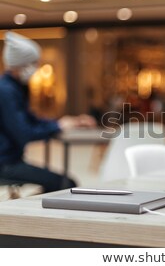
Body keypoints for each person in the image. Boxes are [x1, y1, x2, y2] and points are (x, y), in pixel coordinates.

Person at [0, 31, 96, 193]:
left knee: (60, 182)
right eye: (33, 63)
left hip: (10, 161)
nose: (36, 68)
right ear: (21, 65)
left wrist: (62, 122)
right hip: (6, 164)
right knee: (66, 183)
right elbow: (24, 132)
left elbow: (31, 120)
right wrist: (57, 126)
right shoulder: (7, 91)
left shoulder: (13, 88)